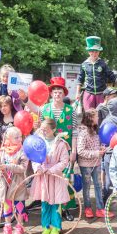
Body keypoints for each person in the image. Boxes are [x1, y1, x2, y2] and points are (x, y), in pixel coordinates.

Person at [40, 77, 78, 218]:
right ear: (51, 94)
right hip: (49, 150)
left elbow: (74, 130)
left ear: (64, 94)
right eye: (55, 92)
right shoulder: (44, 109)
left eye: (60, 92)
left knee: (65, 178)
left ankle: (65, 208)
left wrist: (74, 150)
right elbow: (39, 129)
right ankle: (51, 207)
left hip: (65, 149)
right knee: (50, 178)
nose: (57, 95)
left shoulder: (70, 110)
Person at [29, 118, 70, 234]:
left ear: (54, 129)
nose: (44, 131)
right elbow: (34, 157)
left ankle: (56, 226)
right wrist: (38, 168)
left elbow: (64, 161)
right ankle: (45, 226)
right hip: (43, 177)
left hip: (55, 176)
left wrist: (51, 170)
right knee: (45, 202)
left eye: (46, 129)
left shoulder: (61, 144)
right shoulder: (39, 142)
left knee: (56, 202)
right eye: (42, 129)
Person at [0, 127, 30, 234]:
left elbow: (23, 168)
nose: (20, 139)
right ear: (9, 138)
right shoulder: (2, 151)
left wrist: (8, 166)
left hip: (17, 183)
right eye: (16, 137)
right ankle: (7, 227)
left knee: (19, 205)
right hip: (5, 183)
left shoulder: (23, 151)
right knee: (7, 205)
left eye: (20, 136)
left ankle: (19, 226)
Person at [77, 36, 117, 110]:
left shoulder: (102, 63)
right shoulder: (84, 64)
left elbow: (112, 76)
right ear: (89, 51)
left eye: (96, 51)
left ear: (99, 52)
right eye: (92, 51)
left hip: (101, 94)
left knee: (101, 114)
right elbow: (80, 80)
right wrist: (77, 93)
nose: (94, 53)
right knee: (89, 116)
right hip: (88, 94)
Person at [76, 109, 104, 219]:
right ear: (91, 118)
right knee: (87, 187)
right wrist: (96, 153)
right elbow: (80, 151)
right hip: (86, 165)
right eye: (96, 116)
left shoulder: (96, 130)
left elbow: (95, 145)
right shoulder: (83, 133)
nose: (98, 118)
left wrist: (100, 148)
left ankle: (100, 209)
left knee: (98, 186)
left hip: (96, 164)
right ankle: (87, 208)